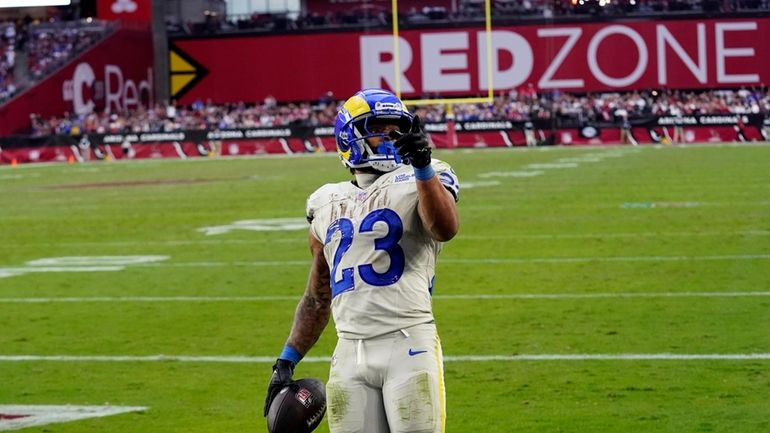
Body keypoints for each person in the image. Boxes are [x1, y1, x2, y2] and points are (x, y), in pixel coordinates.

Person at [263, 88, 460, 433]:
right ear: (349, 137)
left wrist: (423, 167)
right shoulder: (325, 202)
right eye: (378, 127)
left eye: (394, 128)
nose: (390, 136)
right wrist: (287, 358)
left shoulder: (423, 178)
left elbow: (445, 229)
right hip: (348, 354)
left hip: (408, 344)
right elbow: (318, 294)